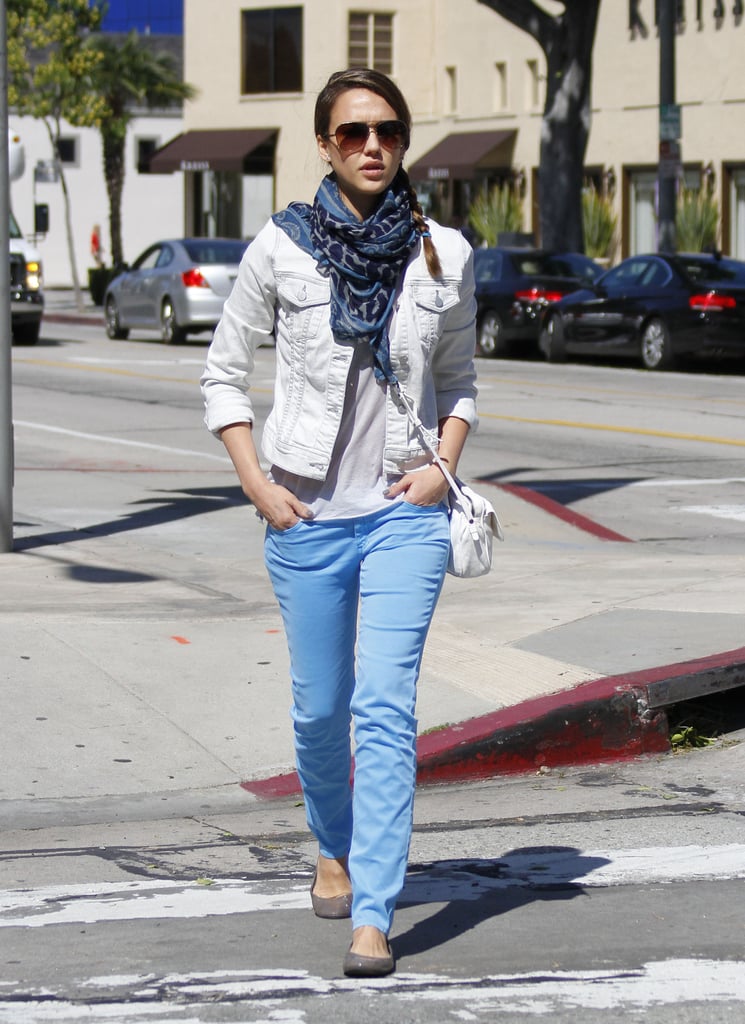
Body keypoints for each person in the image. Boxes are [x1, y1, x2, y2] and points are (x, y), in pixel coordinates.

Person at [201, 68, 478, 977]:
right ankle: (330, 838)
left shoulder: (443, 252)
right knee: (321, 712)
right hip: (306, 510)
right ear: (323, 143)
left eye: (388, 131)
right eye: (354, 131)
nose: (372, 146)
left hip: (405, 509)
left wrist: (445, 464)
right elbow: (221, 373)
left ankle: (373, 911)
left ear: (403, 141)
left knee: (383, 708)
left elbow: (462, 380)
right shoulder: (281, 249)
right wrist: (254, 482)